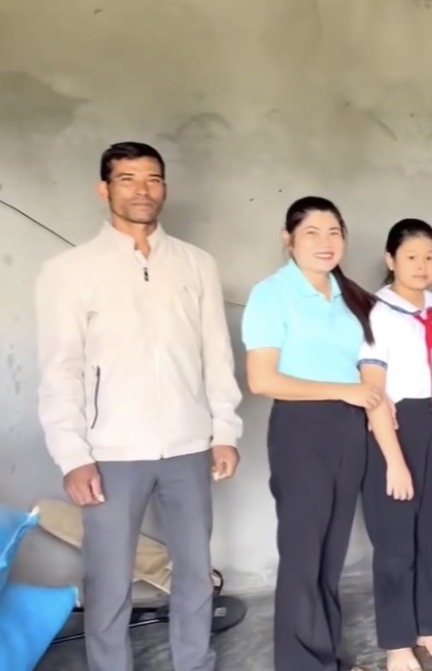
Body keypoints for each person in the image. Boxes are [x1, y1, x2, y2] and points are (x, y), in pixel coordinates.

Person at [34, 141, 243, 671]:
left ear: (164, 188)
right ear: (103, 189)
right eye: (127, 179)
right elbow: (61, 369)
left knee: (194, 572)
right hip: (110, 452)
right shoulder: (69, 270)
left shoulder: (196, 264)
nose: (141, 190)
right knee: (108, 579)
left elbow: (216, 355)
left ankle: (194, 663)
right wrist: (72, 455)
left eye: (152, 179)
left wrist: (224, 431)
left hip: (189, 446)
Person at [241, 196, 380, 671]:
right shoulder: (271, 294)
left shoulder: (350, 297)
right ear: (289, 239)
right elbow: (262, 380)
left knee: (330, 555)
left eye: (334, 232)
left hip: (350, 430)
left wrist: (359, 399)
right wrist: (346, 391)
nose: (325, 242)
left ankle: (326, 656)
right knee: (303, 555)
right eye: (312, 232)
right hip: (301, 432)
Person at [357, 219, 432, 671]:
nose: (421, 265)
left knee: (430, 534)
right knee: (395, 541)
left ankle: (428, 626)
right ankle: (398, 643)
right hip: (393, 430)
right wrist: (394, 462)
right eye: (411, 257)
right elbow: (374, 391)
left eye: (429, 256)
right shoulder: (375, 313)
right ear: (390, 260)